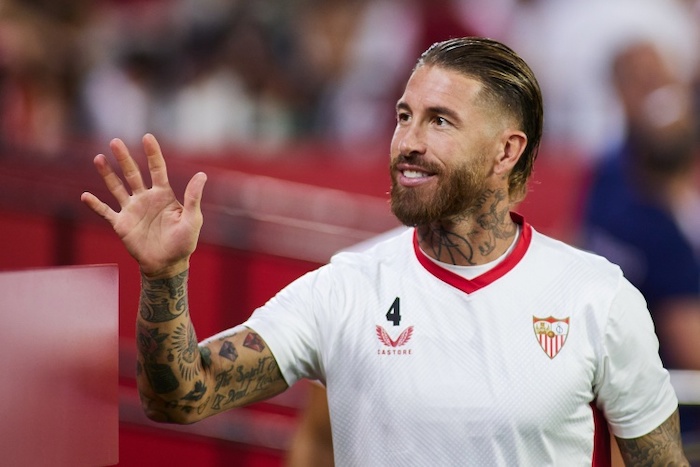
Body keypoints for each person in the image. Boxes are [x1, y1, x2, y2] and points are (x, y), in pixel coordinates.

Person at [80, 37, 689, 465]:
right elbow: (178, 397)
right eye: (404, 116)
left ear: (506, 151)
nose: (407, 142)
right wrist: (164, 276)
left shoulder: (598, 296)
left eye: (440, 121)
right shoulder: (343, 289)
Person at [581, 39, 700, 440]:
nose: (656, 89)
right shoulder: (653, 229)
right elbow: (692, 348)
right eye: (640, 79)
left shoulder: (606, 171)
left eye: (660, 73)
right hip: (671, 411)